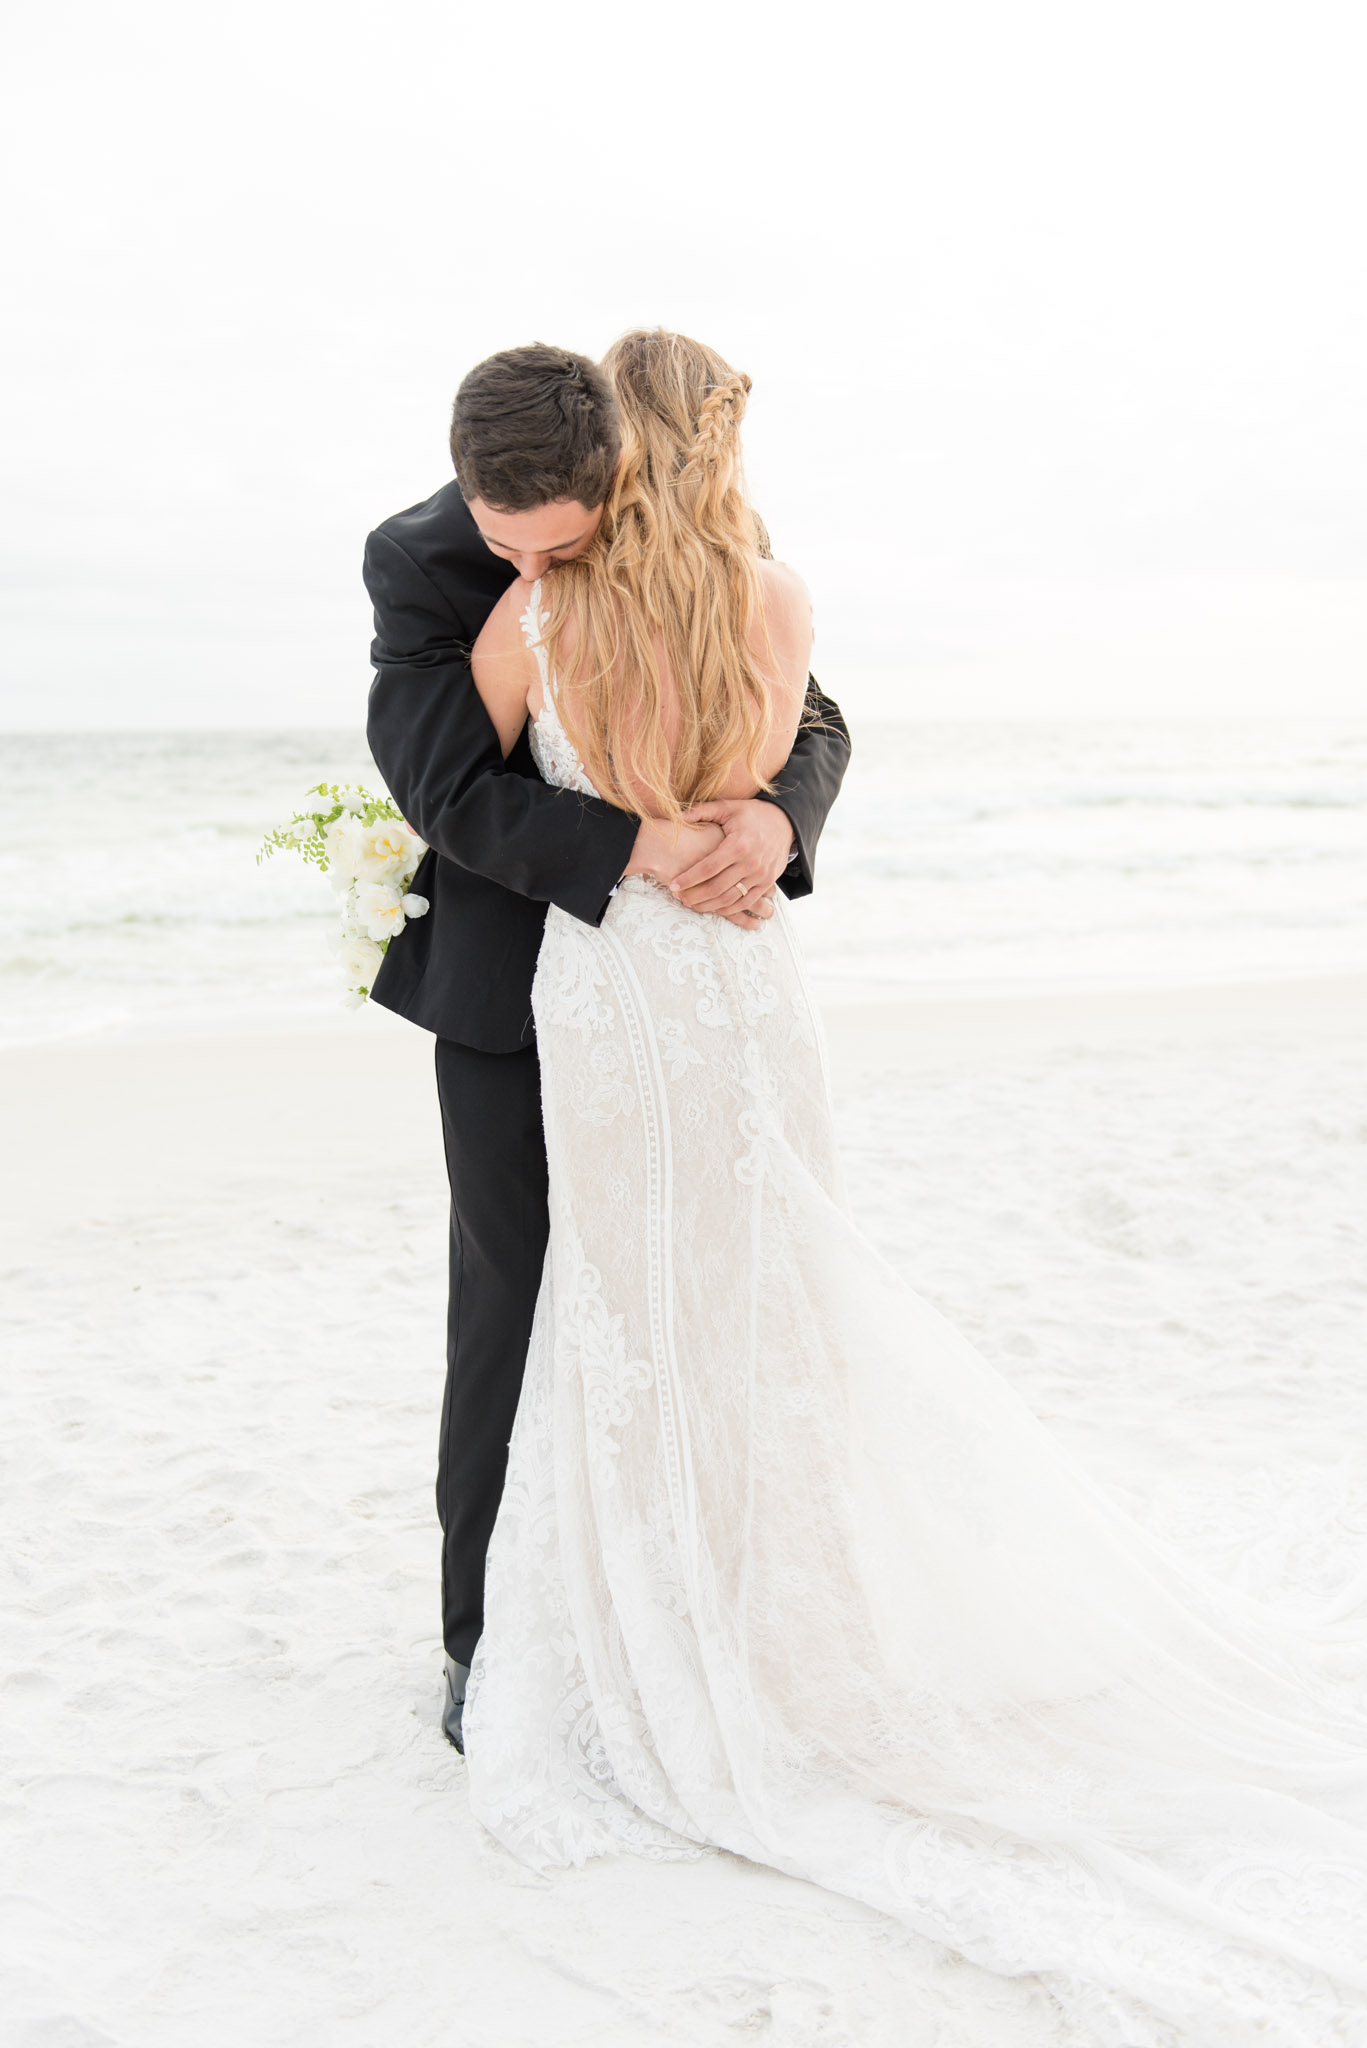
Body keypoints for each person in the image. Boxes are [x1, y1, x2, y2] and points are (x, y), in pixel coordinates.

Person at [461, 328, 1367, 2047]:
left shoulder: (538, 622)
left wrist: (619, 824)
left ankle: (661, 1629)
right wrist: (751, 827)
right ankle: (790, 1631)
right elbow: (791, 751)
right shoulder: (777, 602)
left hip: (617, 991)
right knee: (769, 1303)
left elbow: (463, 797)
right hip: (739, 989)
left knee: (629, 1305)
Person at [363, 344, 851, 1752]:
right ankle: (484, 1640)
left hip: (695, 975)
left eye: (575, 535)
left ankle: (716, 1598)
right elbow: (443, 783)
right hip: (517, 991)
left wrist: (778, 823)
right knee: (515, 1303)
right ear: (471, 491)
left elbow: (805, 711)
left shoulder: (689, 538)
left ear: (619, 472)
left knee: (710, 1289)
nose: (551, 561)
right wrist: (636, 844)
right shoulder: (416, 563)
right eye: (520, 542)